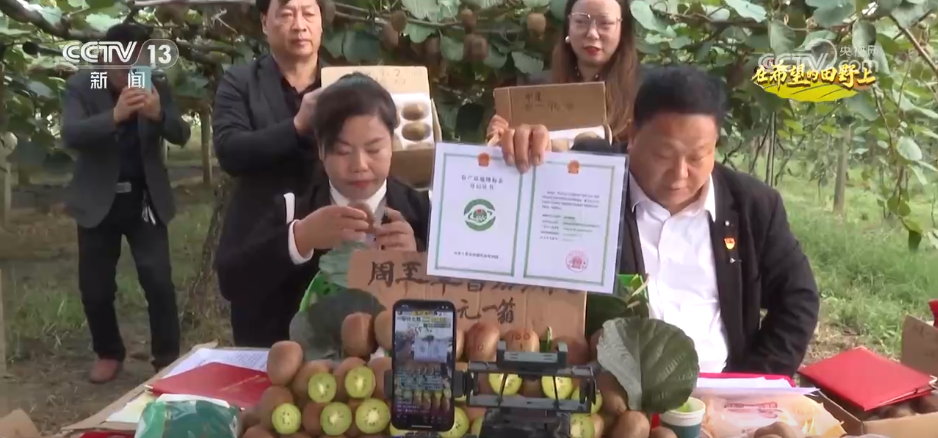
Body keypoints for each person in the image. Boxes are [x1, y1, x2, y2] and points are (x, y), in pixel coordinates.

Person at [496, 65, 820, 377]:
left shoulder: (754, 206)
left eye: (697, 156)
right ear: (632, 134)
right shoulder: (592, 184)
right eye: (663, 155)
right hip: (613, 392)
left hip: (720, 389)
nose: (680, 174)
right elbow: (548, 162)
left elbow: (798, 298)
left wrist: (753, 382)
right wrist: (523, 152)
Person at [215, 73, 431, 347]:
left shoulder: (421, 209)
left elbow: (465, 294)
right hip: (306, 366)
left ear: (392, 143)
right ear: (321, 149)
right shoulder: (292, 207)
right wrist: (299, 239)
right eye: (343, 151)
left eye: (374, 149)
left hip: (397, 364)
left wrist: (417, 256)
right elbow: (232, 281)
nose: (359, 165)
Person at [61, 23, 190, 383]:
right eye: (123, 62)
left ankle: (167, 358)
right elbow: (71, 134)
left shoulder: (155, 85)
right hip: (97, 200)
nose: (131, 69)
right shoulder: (85, 85)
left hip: (144, 198)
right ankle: (108, 352)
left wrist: (159, 115)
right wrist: (115, 116)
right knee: (96, 288)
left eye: (139, 60)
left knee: (158, 281)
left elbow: (181, 133)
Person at [212, 0, 326, 345]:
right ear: (265, 22)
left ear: (321, 22)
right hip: (261, 245)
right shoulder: (240, 81)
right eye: (287, 13)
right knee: (260, 357)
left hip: (329, 249)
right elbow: (230, 150)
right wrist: (296, 126)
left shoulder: (346, 83)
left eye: (309, 13)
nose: (299, 24)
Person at [487, 0, 639, 145]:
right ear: (568, 27)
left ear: (623, 31)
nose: (592, 33)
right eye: (581, 21)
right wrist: (501, 137)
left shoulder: (644, 90)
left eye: (605, 23)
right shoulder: (535, 87)